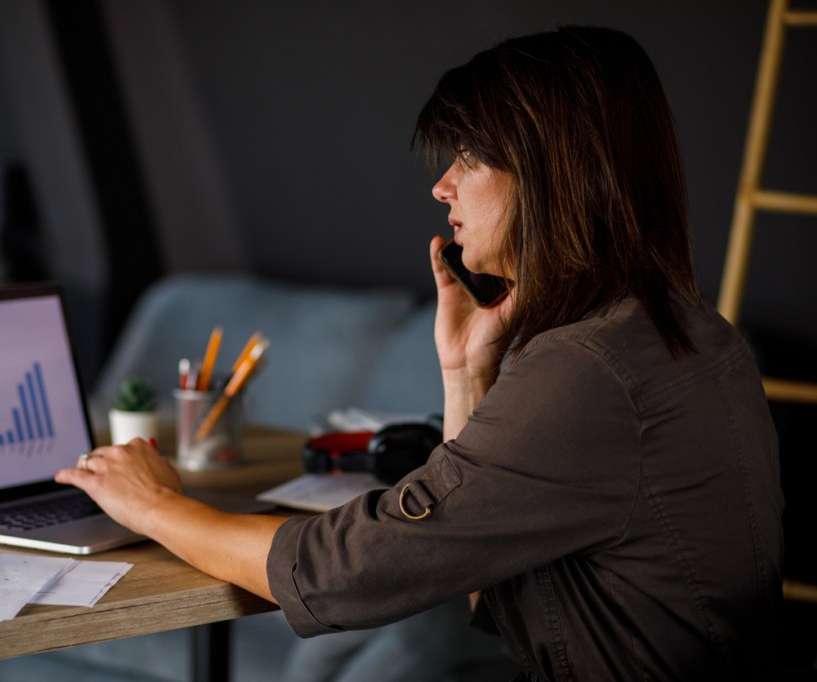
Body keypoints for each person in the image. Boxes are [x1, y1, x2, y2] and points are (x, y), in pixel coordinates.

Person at [57, 26, 784, 681]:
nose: (443, 186)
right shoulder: (684, 331)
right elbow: (474, 570)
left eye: (468, 157)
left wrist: (154, 506)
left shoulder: (590, 371)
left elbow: (348, 573)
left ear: (549, 173)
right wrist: (468, 371)